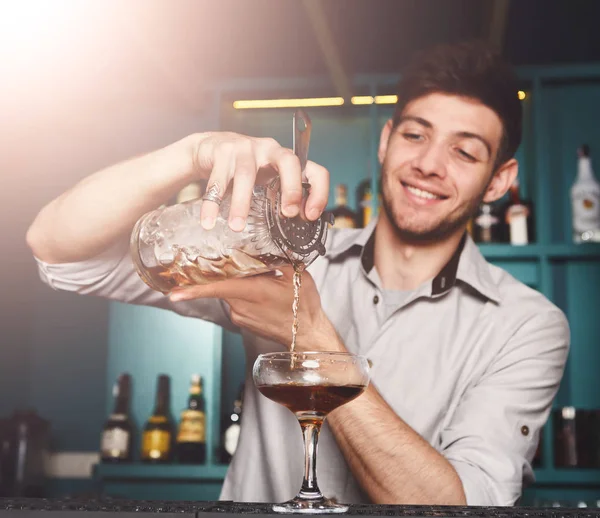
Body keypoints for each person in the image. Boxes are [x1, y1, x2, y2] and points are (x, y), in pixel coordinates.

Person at [26, 41, 569, 506]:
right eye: (415, 135)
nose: (429, 163)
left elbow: (456, 508)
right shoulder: (278, 261)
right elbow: (59, 250)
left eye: (465, 152)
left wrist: (311, 336)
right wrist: (193, 153)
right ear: (385, 141)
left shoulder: (525, 326)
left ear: (500, 182)